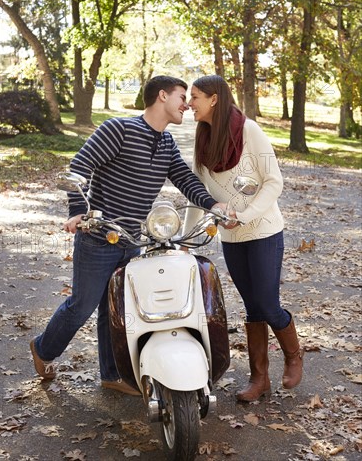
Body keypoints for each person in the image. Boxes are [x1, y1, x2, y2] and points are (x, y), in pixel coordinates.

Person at [30, 75, 227, 395]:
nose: (187, 104)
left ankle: (112, 374)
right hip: (99, 238)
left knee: (117, 310)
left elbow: (185, 180)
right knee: (83, 305)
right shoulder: (118, 129)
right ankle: (43, 349)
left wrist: (214, 204)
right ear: (162, 96)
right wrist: (77, 211)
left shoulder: (166, 143)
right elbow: (80, 165)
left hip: (133, 240)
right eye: (181, 96)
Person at [183, 74, 304, 402]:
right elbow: (198, 191)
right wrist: (183, 239)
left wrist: (245, 215)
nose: (189, 103)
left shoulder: (249, 130)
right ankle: (259, 378)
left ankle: (294, 356)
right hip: (232, 238)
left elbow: (274, 182)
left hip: (263, 230)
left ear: (214, 99)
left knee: (267, 303)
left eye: (195, 96)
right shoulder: (203, 136)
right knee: (252, 306)